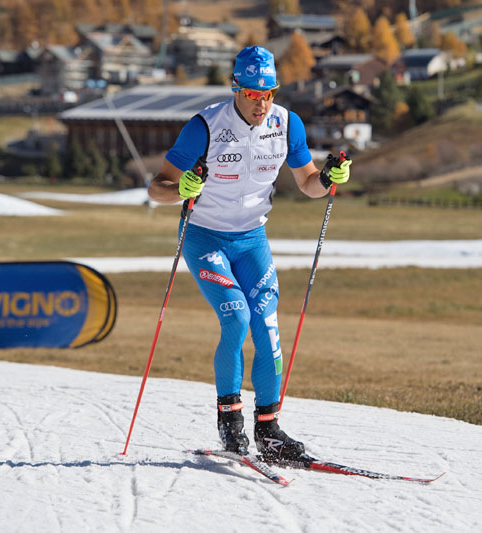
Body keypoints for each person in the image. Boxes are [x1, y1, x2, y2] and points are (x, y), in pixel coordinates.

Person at [148, 46, 352, 462]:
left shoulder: (287, 124)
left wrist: (329, 177)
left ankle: (270, 430)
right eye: (252, 94)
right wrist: (180, 191)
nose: (261, 103)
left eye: (269, 94)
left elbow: (308, 181)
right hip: (205, 237)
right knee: (236, 316)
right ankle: (230, 424)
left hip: (252, 240)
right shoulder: (204, 126)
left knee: (267, 323)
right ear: (236, 88)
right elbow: (157, 187)